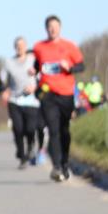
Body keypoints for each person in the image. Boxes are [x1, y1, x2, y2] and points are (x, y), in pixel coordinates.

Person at [33, 14, 85, 182]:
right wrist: (33, 72)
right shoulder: (39, 47)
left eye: (55, 26)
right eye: (49, 27)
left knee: (64, 130)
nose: (52, 29)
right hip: (47, 94)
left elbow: (81, 65)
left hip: (66, 94)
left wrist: (69, 67)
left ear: (60, 28)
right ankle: (56, 167)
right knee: (53, 129)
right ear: (46, 29)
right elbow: (36, 65)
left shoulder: (69, 46)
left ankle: (64, 162)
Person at [0, 36, 41, 169]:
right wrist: (4, 91)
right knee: (18, 129)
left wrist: (35, 87)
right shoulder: (9, 62)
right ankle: (22, 156)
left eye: (22, 45)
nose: (20, 47)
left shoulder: (33, 60)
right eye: (17, 45)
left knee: (30, 128)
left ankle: (30, 145)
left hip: (31, 100)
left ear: (26, 46)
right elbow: (0, 80)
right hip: (14, 99)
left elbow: (42, 78)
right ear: (14, 47)